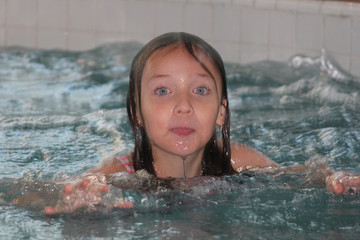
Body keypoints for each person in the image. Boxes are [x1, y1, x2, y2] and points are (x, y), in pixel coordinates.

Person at [44, 32, 360, 215]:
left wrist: (333, 178)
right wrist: (73, 198)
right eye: (163, 91)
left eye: (200, 90)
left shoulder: (236, 160)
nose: (183, 106)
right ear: (138, 113)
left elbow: (303, 175)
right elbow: (39, 194)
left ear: (221, 112)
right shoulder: (119, 172)